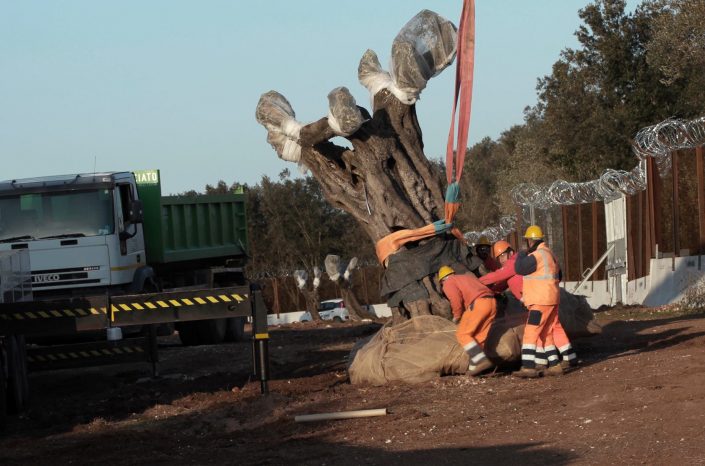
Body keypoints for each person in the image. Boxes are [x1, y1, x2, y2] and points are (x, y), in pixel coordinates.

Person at [481, 238, 577, 373]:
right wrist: (491, 288)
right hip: (548, 298)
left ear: (510, 252)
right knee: (551, 328)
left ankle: (531, 365)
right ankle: (567, 357)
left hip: (538, 300)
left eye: (502, 255)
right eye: (499, 257)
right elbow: (502, 281)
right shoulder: (543, 256)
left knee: (533, 331)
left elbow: (498, 275)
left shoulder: (514, 262)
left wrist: (476, 283)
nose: (501, 259)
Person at [513, 225, 574, 378]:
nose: (526, 244)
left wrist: (521, 253)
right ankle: (554, 365)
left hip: (540, 301)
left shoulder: (537, 255)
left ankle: (528, 367)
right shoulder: (550, 255)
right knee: (546, 332)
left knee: (530, 332)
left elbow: (519, 268)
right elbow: (559, 275)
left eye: (526, 242)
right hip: (552, 300)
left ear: (531, 241)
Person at [438, 265, 498, 376]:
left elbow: (455, 299)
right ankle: (477, 370)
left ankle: (482, 361)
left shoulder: (448, 282)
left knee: (462, 334)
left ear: (442, 280)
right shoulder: (467, 277)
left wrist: (457, 316)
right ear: (452, 272)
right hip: (492, 303)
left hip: (478, 304)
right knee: (478, 339)